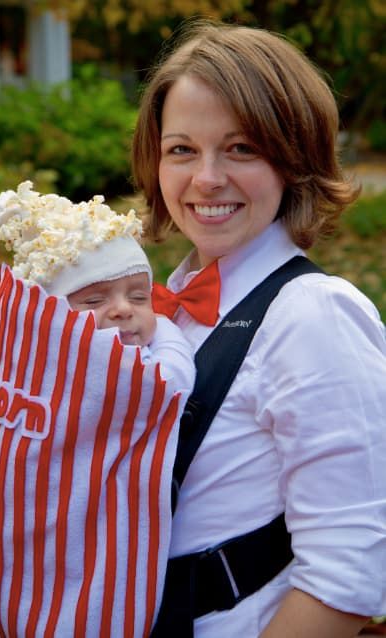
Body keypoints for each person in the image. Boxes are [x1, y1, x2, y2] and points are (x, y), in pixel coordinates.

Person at [131, 20, 386, 638]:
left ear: (293, 158)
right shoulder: (161, 303)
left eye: (241, 148)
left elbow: (349, 568)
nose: (207, 178)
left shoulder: (313, 315)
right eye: (181, 149)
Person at [0, 181, 195, 637]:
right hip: (70, 578)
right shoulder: (104, 371)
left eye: (138, 295)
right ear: (52, 315)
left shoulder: (22, 358)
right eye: (93, 300)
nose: (121, 310)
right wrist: (168, 326)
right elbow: (169, 383)